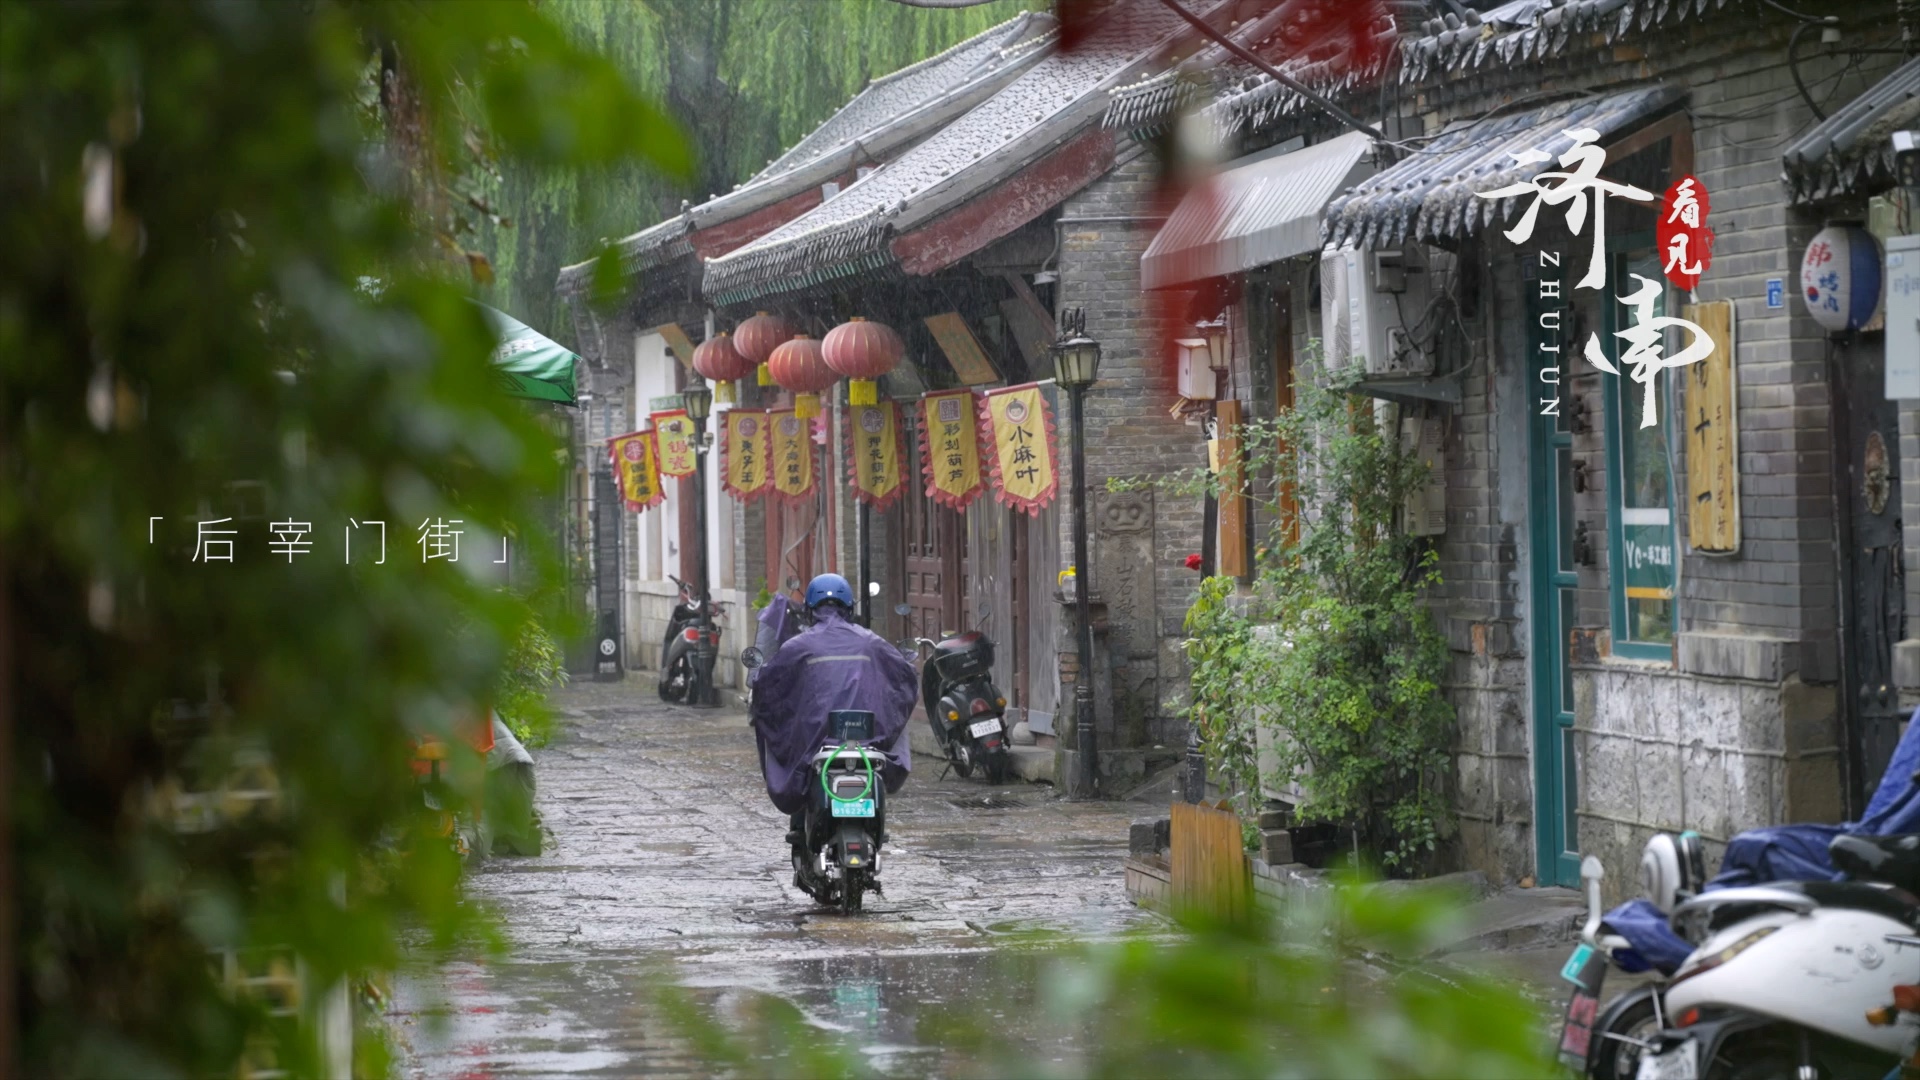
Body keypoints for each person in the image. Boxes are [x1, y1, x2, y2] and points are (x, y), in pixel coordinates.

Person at [748, 573, 917, 866]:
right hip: (867, 742)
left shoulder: (798, 646)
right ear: (849, 606)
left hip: (815, 742)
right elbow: (903, 677)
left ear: (810, 608)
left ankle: (804, 831)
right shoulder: (870, 643)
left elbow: (769, 687)